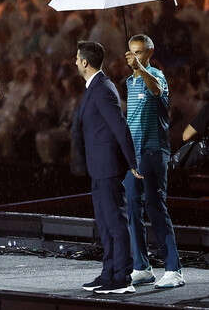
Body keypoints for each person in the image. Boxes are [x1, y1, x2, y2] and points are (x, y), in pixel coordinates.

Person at [71, 41, 142, 294]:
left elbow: (119, 126)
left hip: (109, 167)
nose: (75, 62)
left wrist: (132, 162)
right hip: (98, 167)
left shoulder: (102, 88)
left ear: (85, 63)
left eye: (77, 58)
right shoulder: (95, 87)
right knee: (104, 223)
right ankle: (109, 272)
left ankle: (123, 277)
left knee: (115, 223)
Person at [123, 35, 185, 288]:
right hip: (133, 154)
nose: (135, 56)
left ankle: (174, 269)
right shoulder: (128, 82)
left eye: (140, 52)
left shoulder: (156, 76)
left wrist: (141, 69)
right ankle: (141, 266)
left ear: (149, 52)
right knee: (132, 208)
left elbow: (156, 91)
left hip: (153, 151)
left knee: (155, 207)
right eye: (132, 52)